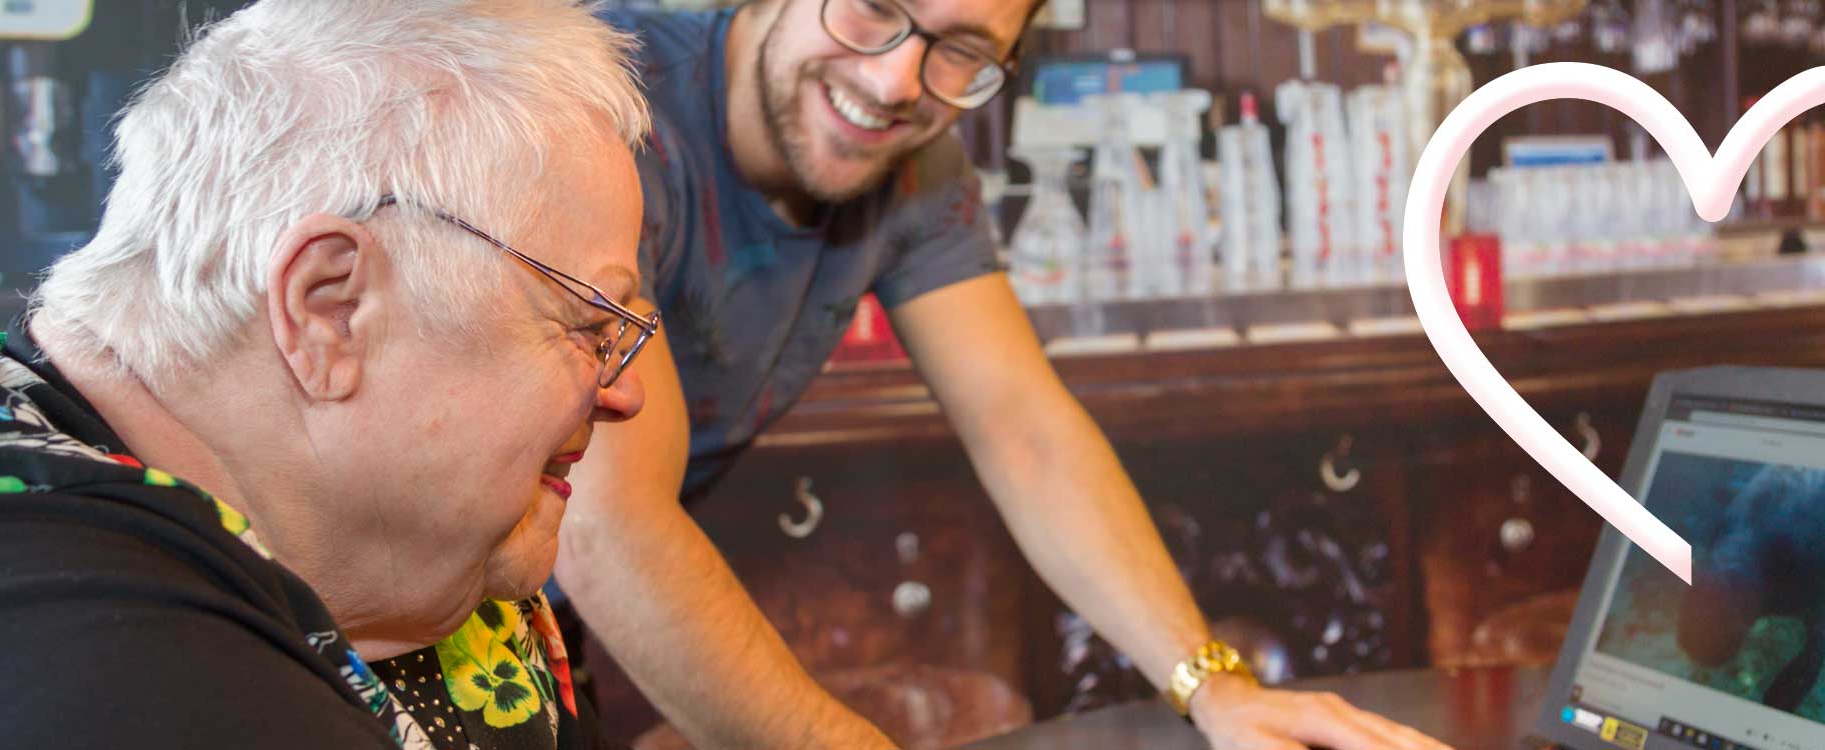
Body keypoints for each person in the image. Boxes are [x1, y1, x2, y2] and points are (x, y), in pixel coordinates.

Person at [555, 1, 1456, 748]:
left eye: (962, 51)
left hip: (548, 630)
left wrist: (1215, 685)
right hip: (468, 621)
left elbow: (1024, 430)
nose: (894, 81)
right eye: (873, 9)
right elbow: (609, 522)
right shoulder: (603, 102)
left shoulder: (917, 169)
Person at [0, 2, 652, 748]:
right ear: (330, 310)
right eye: (589, 326)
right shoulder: (83, 661)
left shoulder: (401, 547)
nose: (625, 392)